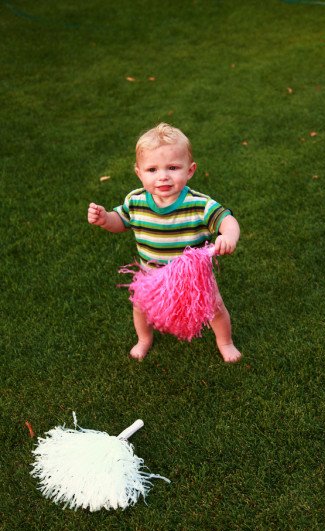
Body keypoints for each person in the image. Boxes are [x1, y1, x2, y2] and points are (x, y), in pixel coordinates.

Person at [88, 123, 241, 362]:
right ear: (139, 172)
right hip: (152, 277)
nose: (163, 176)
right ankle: (144, 339)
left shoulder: (198, 204)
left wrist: (228, 236)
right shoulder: (136, 201)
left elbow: (226, 220)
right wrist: (105, 218)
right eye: (152, 169)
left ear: (190, 170)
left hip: (193, 279)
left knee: (214, 308)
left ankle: (226, 342)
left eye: (172, 167)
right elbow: (120, 222)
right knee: (140, 307)